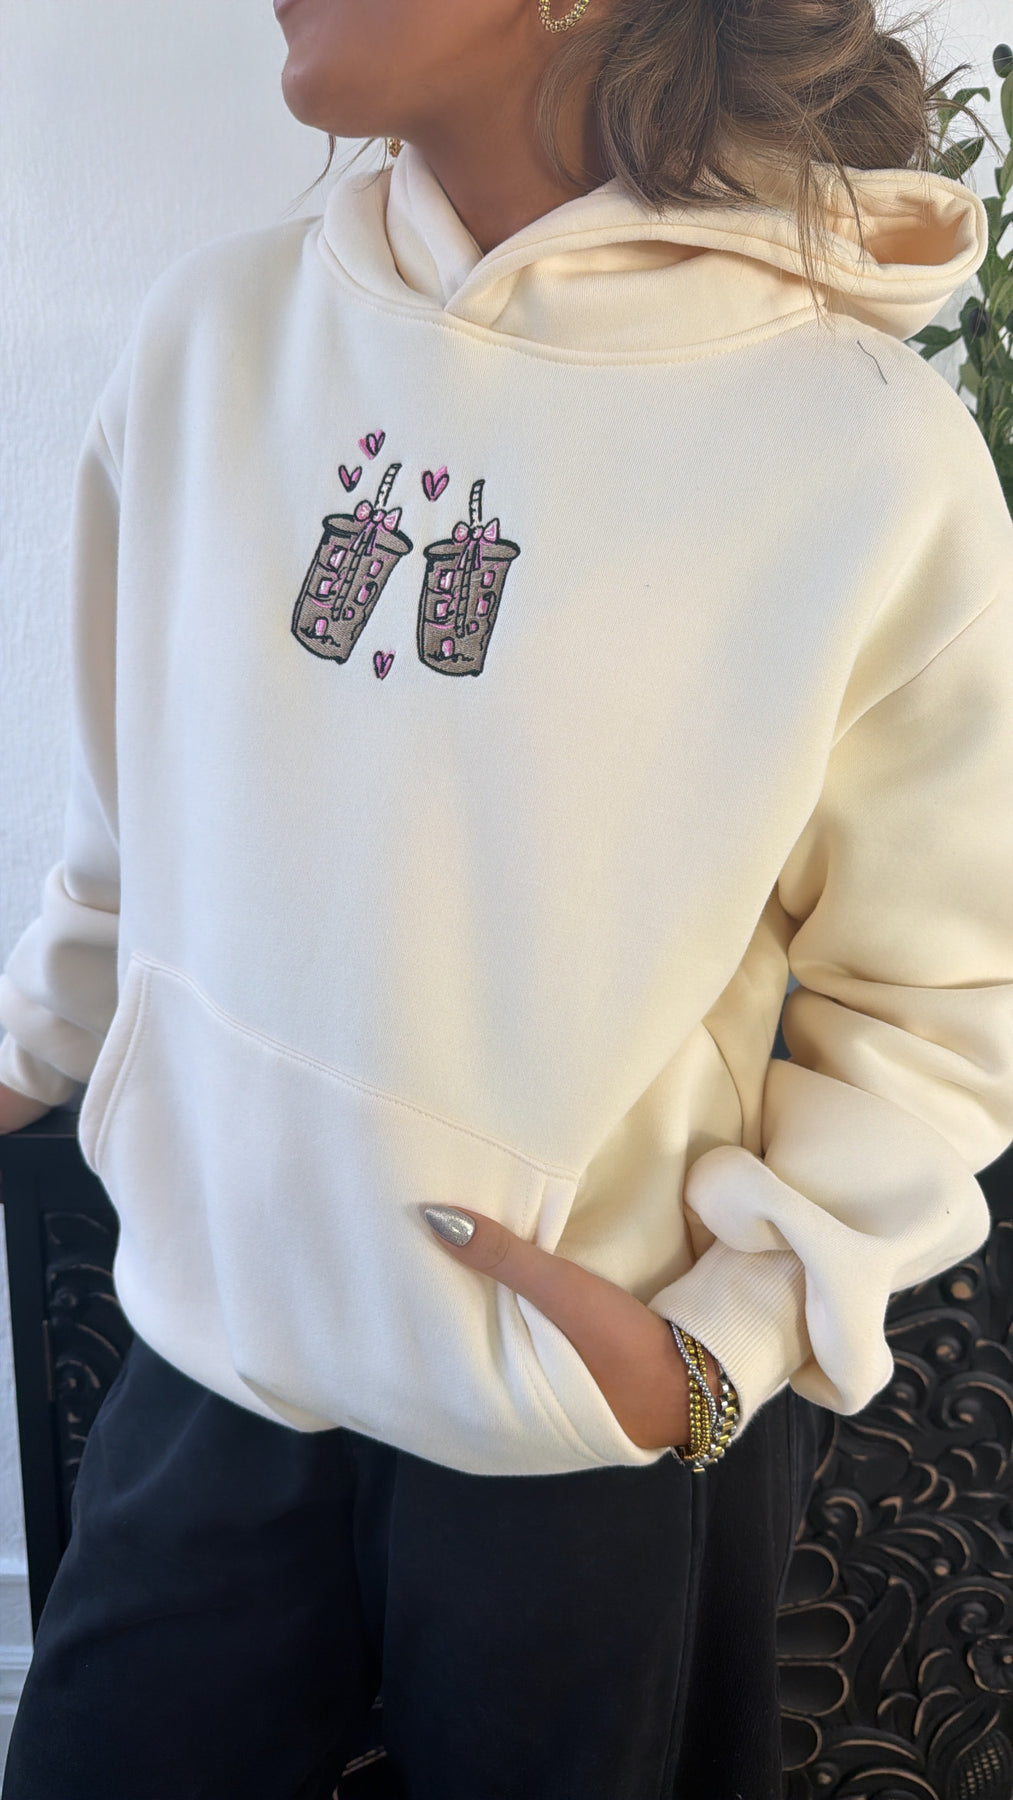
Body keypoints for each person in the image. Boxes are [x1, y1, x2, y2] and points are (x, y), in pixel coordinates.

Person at [2, 0, 1012, 1794]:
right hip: (214, 1355)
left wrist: (711, 1349)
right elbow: (130, 833)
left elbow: (935, 1005)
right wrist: (30, 1051)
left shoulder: (859, 448)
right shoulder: (214, 336)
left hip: (576, 1431)